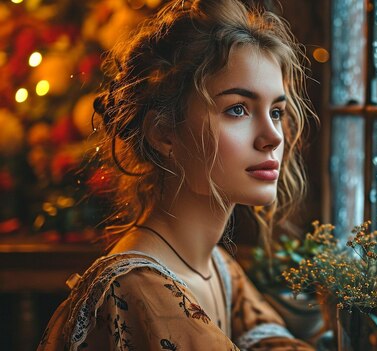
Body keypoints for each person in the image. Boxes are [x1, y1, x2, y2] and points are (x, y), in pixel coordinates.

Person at [38, 0, 316, 349]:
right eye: (238, 109)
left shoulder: (218, 266)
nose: (273, 136)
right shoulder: (136, 290)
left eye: (276, 111)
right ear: (163, 133)